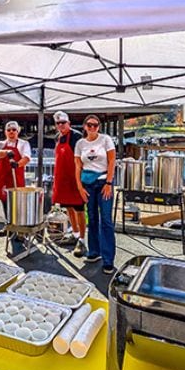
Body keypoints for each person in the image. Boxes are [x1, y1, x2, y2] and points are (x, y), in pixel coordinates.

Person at [75, 114, 117, 275]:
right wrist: (79, 187)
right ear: (85, 126)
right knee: (91, 217)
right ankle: (94, 250)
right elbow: (78, 166)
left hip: (102, 181)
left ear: (99, 127)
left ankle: (108, 259)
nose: (92, 128)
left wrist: (109, 183)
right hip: (88, 184)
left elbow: (112, 161)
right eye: (89, 125)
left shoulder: (106, 140)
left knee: (105, 219)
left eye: (95, 125)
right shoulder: (80, 143)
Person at [50, 111, 86, 256]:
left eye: (63, 123)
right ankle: (75, 234)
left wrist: (81, 180)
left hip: (75, 179)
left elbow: (83, 158)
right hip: (62, 179)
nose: (61, 125)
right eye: (58, 123)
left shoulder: (77, 137)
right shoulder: (58, 137)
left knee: (79, 210)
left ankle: (82, 240)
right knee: (68, 207)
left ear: (69, 123)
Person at [0, 120, 31, 236]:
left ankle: (20, 228)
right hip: (4, 178)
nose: (11, 132)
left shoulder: (23, 144)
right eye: (8, 130)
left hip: (16, 177)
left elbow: (27, 157)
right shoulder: (1, 144)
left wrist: (18, 164)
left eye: (14, 130)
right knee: (5, 202)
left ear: (18, 131)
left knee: (18, 203)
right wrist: (6, 151)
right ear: (5, 132)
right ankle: (8, 224)